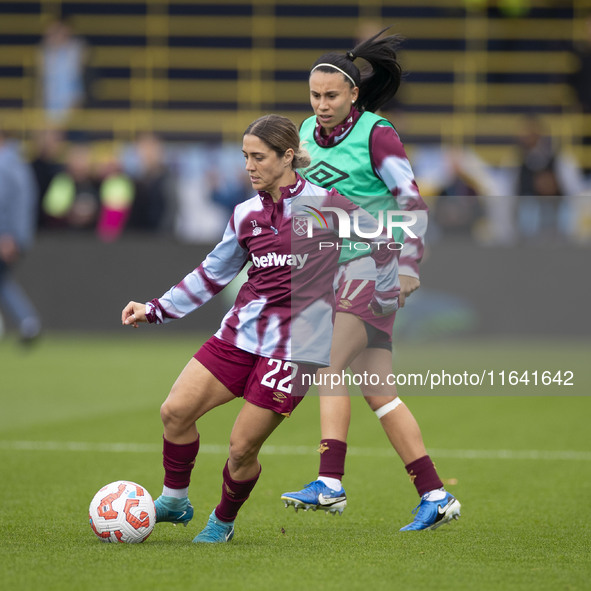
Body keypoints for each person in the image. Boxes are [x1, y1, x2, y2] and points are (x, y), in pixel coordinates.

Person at [121, 114, 401, 543]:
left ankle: (222, 520)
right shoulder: (246, 213)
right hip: (239, 336)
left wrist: (367, 296)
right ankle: (175, 500)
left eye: (258, 157)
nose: (249, 166)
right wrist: (155, 309)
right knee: (174, 413)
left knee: (240, 448)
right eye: (245, 157)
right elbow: (212, 273)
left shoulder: (329, 205)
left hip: (295, 352)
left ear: (287, 156)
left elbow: (387, 242)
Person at [280, 29, 461, 531]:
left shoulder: (377, 133)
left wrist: (408, 265)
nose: (321, 104)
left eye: (331, 95)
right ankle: (436, 494)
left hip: (374, 267)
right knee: (380, 393)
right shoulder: (304, 134)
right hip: (334, 274)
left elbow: (411, 201)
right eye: (314, 95)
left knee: (324, 363)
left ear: (354, 94)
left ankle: (330, 482)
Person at [0, 127, 42, 343]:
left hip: (7, 237)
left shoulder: (4, 165)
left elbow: (5, 203)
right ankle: (28, 322)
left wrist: (7, 236)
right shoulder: (19, 163)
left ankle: (28, 321)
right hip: (15, 235)